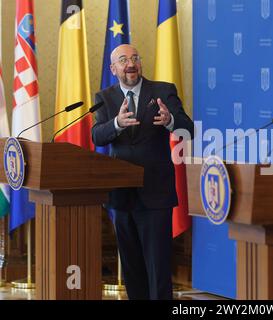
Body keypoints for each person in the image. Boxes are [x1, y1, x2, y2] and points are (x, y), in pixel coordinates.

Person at [91, 44, 194, 300]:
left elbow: (188, 128)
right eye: (123, 59)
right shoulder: (105, 97)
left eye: (135, 57)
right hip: (122, 194)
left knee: (158, 265)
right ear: (113, 68)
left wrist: (170, 121)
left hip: (155, 191)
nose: (131, 63)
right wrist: (116, 123)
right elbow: (97, 136)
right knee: (132, 266)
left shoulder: (163, 91)